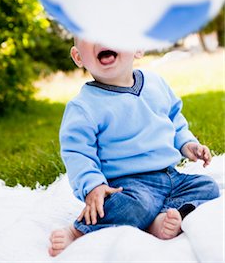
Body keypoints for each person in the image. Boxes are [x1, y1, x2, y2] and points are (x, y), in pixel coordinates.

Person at [48, 38, 219, 257]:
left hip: (171, 177)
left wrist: (187, 143)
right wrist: (92, 186)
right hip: (128, 185)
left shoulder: (155, 83)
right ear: (78, 57)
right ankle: (79, 231)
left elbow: (174, 119)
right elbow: (77, 152)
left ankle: (160, 217)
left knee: (207, 187)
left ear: (138, 48)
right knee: (133, 207)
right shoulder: (84, 106)